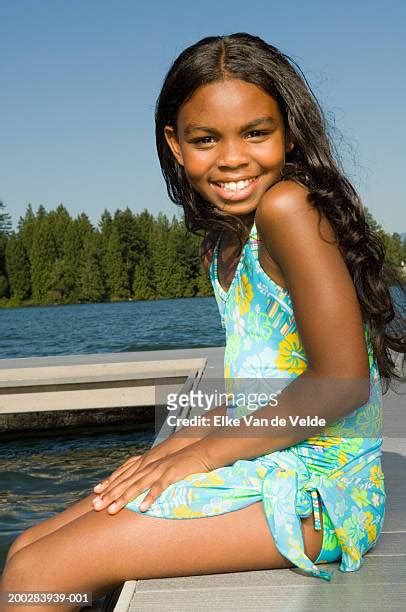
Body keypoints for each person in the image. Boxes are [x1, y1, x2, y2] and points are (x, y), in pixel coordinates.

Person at [2, 32, 405, 607]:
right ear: (175, 144)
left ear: (288, 131)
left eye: (256, 133)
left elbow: (340, 383)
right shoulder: (225, 239)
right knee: (27, 548)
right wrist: (181, 439)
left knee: (38, 574)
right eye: (205, 138)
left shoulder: (287, 207)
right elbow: (262, 379)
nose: (232, 157)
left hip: (323, 494)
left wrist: (200, 453)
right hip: (273, 459)